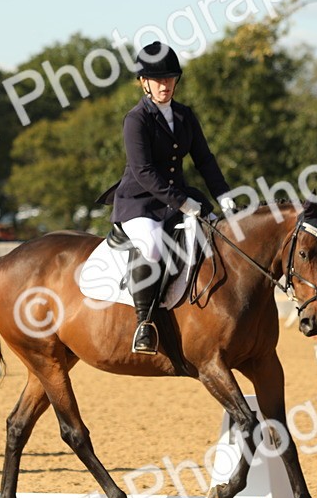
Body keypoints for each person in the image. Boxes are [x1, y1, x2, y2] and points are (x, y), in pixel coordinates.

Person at [98, 41, 237, 355]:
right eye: (158, 79)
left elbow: (204, 159)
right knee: (152, 245)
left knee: (216, 233)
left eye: (170, 78)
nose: (165, 85)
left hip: (178, 199)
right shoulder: (137, 119)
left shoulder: (185, 116)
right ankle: (144, 324)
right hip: (140, 202)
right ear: (144, 82)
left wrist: (224, 195)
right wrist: (184, 203)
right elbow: (144, 171)